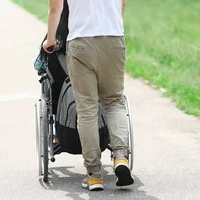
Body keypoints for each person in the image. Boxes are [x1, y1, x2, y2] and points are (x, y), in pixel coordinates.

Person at [43, 0, 132, 191]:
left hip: (80, 40)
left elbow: (55, 8)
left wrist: (50, 39)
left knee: (86, 110)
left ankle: (94, 175)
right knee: (114, 102)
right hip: (113, 38)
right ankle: (121, 157)